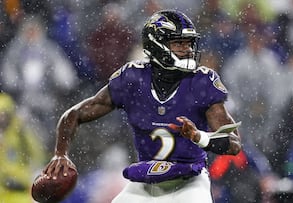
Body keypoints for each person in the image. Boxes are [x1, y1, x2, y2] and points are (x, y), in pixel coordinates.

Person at [43, 9, 242, 203]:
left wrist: (199, 137)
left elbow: (233, 143)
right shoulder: (132, 78)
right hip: (145, 183)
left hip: (189, 182)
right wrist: (60, 154)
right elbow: (75, 114)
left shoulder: (201, 81)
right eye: (179, 43)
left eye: (189, 43)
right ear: (156, 44)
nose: (188, 49)